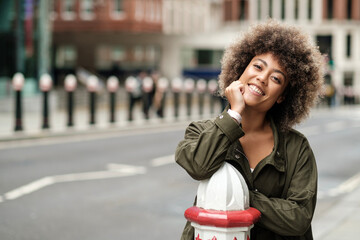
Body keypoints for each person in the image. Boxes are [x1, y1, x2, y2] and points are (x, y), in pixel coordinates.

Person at [175, 20, 324, 240]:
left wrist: (238, 197)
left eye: (276, 78)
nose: (262, 78)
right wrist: (234, 115)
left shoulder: (297, 148)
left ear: (282, 96)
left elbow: (299, 218)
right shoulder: (201, 131)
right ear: (241, 69)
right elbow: (199, 166)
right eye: (257, 66)